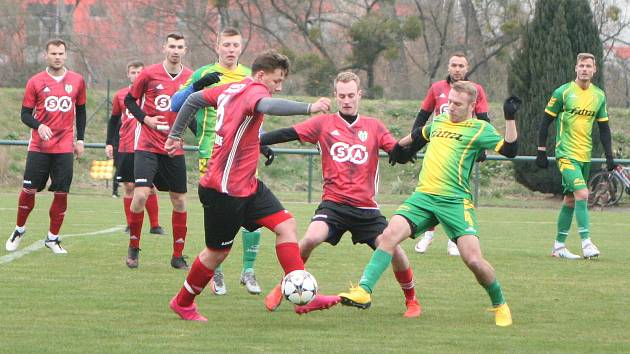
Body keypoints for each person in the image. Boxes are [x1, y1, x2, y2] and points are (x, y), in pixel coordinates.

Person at [165, 50, 331, 321]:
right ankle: (183, 302)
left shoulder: (231, 87)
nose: (278, 87)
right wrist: (308, 107)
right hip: (224, 191)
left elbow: (195, 99)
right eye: (276, 81)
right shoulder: (254, 91)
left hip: (247, 185)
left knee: (286, 225)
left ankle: (303, 297)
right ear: (261, 75)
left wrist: (175, 135)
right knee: (217, 253)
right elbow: (266, 106)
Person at [339, 82, 520, 327]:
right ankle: (364, 290)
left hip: (455, 201)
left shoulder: (480, 129)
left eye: (457, 104)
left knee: (474, 261)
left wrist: (510, 118)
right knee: (389, 235)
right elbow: (418, 135)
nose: (450, 107)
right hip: (423, 197)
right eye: (449, 102)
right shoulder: (440, 121)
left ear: (471, 105)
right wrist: (396, 148)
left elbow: (510, 150)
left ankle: (499, 303)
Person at [260, 71, 421, 317]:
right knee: (310, 239)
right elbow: (288, 133)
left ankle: (412, 301)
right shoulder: (323, 123)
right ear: (335, 96)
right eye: (342, 95)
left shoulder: (374, 127)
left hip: (366, 208)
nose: (346, 100)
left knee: (394, 250)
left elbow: (397, 155)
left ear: (360, 95)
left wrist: (418, 141)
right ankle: (285, 284)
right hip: (333, 205)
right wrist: (259, 140)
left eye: (351, 95)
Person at [171, 27, 262, 296]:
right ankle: (216, 272)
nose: (231, 49)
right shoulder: (202, 74)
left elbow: (257, 114)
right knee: (218, 215)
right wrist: (197, 85)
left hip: (244, 155)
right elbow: (176, 104)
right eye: (226, 44)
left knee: (250, 213)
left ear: (241, 48)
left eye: (235, 45)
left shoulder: (250, 76)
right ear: (217, 47)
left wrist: (264, 141)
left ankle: (248, 271)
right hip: (211, 153)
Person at [5, 38, 87, 254]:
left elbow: (81, 111)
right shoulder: (35, 81)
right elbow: (24, 114)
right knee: (29, 189)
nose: (57, 57)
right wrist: (39, 125)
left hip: (64, 147)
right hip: (39, 147)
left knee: (61, 193)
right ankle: (19, 229)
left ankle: (52, 238)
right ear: (46, 55)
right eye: (53, 53)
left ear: (66, 55)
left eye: (61, 53)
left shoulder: (77, 80)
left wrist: (80, 140)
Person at [123, 32, 193, 269]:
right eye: (172, 46)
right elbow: (130, 101)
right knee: (140, 194)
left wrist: (201, 133)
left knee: (180, 201)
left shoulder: (190, 77)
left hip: (173, 149)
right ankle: (134, 247)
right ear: (164, 47)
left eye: (180, 46)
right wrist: (146, 120)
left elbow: (192, 110)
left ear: (185, 50)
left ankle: (177, 255)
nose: (175, 50)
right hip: (148, 145)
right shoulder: (149, 73)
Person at [536, 52, 614, 260]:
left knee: (570, 199)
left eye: (589, 66)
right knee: (582, 193)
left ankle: (558, 246)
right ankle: (586, 243)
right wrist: (541, 150)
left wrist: (610, 157)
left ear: (594, 70)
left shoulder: (598, 96)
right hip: (566, 154)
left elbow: (604, 129)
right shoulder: (563, 92)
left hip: (584, 156)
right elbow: (545, 121)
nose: (585, 69)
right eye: (582, 65)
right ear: (576, 68)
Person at [412, 53, 491, 257]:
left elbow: (483, 118)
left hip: (461, 147)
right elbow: (423, 115)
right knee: (431, 189)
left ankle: (453, 239)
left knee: (454, 191)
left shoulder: (475, 91)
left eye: (461, 65)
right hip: (438, 145)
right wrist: (413, 145)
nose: (457, 69)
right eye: (454, 65)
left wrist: (482, 148)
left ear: (467, 68)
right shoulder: (437, 88)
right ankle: (428, 235)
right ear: (448, 67)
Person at [106, 61, 166, 237]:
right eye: (133, 72)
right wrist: (109, 142)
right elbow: (113, 120)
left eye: (140, 72)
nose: (137, 75)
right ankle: (130, 224)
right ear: (128, 74)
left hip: (149, 145)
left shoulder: (153, 93)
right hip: (126, 145)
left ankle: (155, 225)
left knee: (150, 186)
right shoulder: (121, 96)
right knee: (129, 186)